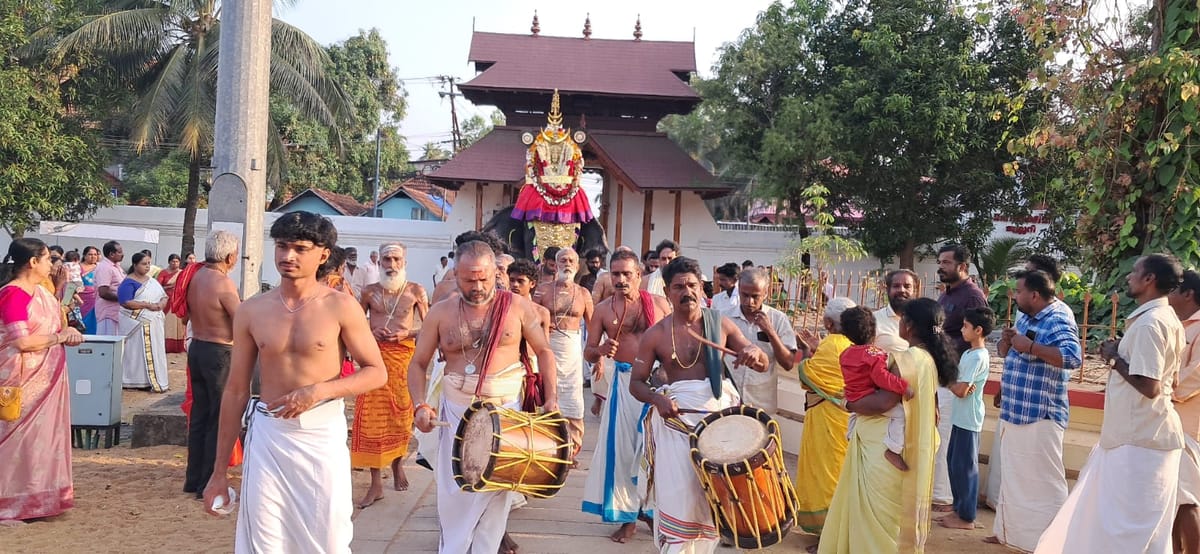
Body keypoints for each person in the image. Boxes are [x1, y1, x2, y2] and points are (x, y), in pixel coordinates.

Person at [203, 211, 388, 553]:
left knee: (329, 540)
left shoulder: (341, 307)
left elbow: (376, 371)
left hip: (321, 435)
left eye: (300, 248)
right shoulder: (252, 310)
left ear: (322, 254)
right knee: (265, 541)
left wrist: (320, 390)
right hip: (269, 435)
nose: (288, 256)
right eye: (282, 246)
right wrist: (218, 472)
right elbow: (235, 389)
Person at [409, 240, 560, 554]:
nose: (477, 286)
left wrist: (551, 400)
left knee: (495, 501)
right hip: (455, 412)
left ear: (496, 273)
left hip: (506, 411)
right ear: (455, 274)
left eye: (484, 279)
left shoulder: (516, 307)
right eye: (469, 279)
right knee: (454, 501)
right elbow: (418, 363)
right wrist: (420, 405)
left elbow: (544, 351)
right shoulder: (441, 312)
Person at [1037, 254, 1188, 553]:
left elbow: (1151, 386)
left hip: (1140, 442)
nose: (1129, 277)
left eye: (1135, 272)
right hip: (1139, 437)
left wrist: (1114, 358)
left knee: (1124, 529)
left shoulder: (1152, 323)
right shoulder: (1160, 318)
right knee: (1130, 526)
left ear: (1150, 280)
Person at [630, 256, 768, 552]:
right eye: (679, 286)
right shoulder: (655, 335)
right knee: (680, 497)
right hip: (675, 425)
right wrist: (658, 398)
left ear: (701, 287)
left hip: (717, 428)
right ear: (667, 292)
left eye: (692, 285)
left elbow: (760, 361)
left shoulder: (720, 324)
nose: (686, 292)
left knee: (712, 501)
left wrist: (754, 353)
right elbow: (637, 383)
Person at [818, 298, 954, 553]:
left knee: (875, 522)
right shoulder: (927, 358)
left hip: (881, 451)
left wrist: (846, 403)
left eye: (902, 319)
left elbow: (882, 402)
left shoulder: (906, 359)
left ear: (909, 326)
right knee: (890, 522)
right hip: (901, 445)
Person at [986, 269, 1082, 551]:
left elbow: (1072, 357)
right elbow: (1011, 353)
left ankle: (1052, 542)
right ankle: (1011, 534)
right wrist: (1007, 343)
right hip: (1016, 409)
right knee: (1014, 479)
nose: (1014, 296)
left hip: (1040, 413)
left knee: (1044, 482)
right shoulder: (1027, 315)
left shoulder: (1058, 317)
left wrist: (1031, 346)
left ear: (1035, 295)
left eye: (1018, 291)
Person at [581, 249, 671, 543]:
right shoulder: (604, 310)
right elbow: (588, 350)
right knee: (622, 452)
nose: (620, 279)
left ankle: (652, 510)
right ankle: (628, 517)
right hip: (623, 384)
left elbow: (676, 343)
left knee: (656, 451)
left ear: (639, 275)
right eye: (615, 274)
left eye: (626, 274)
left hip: (656, 386)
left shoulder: (658, 304)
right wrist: (600, 352)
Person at [0, 238, 84, 522]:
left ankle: (37, 499)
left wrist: (66, 334)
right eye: (48, 258)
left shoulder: (43, 294)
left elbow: (53, 328)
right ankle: (11, 503)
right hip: (20, 379)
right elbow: (21, 341)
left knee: (41, 440)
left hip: (47, 378)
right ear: (33, 262)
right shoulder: (14, 294)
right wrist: (59, 337)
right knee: (17, 440)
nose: (52, 264)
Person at [352, 242, 428, 509]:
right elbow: (355, 323)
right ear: (379, 262)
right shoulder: (369, 291)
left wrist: (406, 334)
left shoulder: (416, 290)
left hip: (403, 360)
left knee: (400, 415)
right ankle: (375, 483)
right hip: (374, 359)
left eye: (396, 259)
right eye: (387, 259)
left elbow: (429, 328)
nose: (391, 265)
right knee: (371, 419)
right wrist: (369, 333)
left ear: (404, 261)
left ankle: (397, 466)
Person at [182, 230, 241, 499]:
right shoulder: (222, 283)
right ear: (231, 257)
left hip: (198, 346)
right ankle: (208, 481)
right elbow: (240, 319)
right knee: (217, 417)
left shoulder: (196, 277)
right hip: (219, 351)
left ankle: (194, 479)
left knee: (200, 416)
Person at [793, 297, 856, 536]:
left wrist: (806, 353)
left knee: (826, 474)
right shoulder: (853, 343)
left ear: (829, 323)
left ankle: (829, 534)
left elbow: (806, 376)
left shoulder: (832, 345)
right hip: (846, 418)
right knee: (841, 471)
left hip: (826, 420)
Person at [934, 244, 987, 513]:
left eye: (946, 262)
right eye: (940, 261)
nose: (941, 266)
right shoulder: (947, 295)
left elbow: (978, 334)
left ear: (962, 267)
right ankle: (940, 495)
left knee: (947, 440)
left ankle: (946, 499)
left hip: (957, 378)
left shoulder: (972, 297)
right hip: (941, 373)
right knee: (938, 437)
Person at [533, 247, 594, 462]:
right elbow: (532, 320)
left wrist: (599, 359)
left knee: (573, 399)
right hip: (547, 347)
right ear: (555, 264)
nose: (567, 264)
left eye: (571, 260)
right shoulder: (543, 290)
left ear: (577, 266)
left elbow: (594, 327)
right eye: (562, 260)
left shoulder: (584, 294)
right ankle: (545, 448)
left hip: (572, 350)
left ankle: (570, 451)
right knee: (546, 394)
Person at [938, 307, 994, 530]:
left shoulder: (977, 356)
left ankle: (967, 515)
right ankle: (959, 509)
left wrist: (949, 383)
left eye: (966, 326)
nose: (962, 330)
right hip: (960, 417)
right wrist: (956, 384)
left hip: (968, 419)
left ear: (978, 330)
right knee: (955, 464)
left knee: (965, 467)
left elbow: (961, 389)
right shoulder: (970, 354)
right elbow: (960, 386)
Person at [840, 306, 914, 471]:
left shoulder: (845, 354)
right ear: (874, 332)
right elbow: (881, 378)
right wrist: (903, 387)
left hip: (852, 397)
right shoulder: (874, 355)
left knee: (854, 414)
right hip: (869, 397)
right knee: (900, 414)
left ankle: (851, 435)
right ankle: (893, 449)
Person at [721, 268, 796, 414]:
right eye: (745, 295)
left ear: (766, 294)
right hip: (728, 401)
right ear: (739, 290)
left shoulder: (778, 319)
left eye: (755, 296)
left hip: (762, 404)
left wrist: (770, 332)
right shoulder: (724, 318)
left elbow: (788, 364)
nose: (749, 302)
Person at [118, 252, 169, 392]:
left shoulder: (151, 281)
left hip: (154, 323)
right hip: (137, 325)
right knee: (136, 353)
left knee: (155, 350)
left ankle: (152, 379)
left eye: (148, 264)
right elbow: (125, 302)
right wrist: (147, 305)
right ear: (135, 265)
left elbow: (163, 295)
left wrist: (160, 305)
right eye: (144, 264)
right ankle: (134, 381)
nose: (147, 267)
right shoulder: (128, 282)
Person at [874, 269, 916, 354]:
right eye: (896, 286)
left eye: (907, 286)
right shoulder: (873, 320)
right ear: (888, 290)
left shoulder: (923, 320)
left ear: (914, 290)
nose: (902, 290)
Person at [94, 240, 125, 335]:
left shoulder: (117, 267)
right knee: (107, 345)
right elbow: (103, 292)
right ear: (111, 254)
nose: (123, 254)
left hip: (116, 312)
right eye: (119, 252)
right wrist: (124, 299)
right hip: (108, 313)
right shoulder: (105, 268)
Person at [157, 254, 187, 353]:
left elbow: (185, 286)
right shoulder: (163, 273)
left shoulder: (182, 273)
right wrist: (169, 287)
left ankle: (178, 346)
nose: (175, 263)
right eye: (173, 261)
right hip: (166, 301)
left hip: (178, 301)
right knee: (167, 324)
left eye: (177, 261)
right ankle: (167, 346)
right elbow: (157, 287)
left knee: (178, 324)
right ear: (169, 262)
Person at [78, 246, 100, 334]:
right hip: (83, 299)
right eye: (90, 254)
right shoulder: (78, 267)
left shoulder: (99, 267)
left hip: (96, 298)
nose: (93, 256)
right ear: (84, 255)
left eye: (95, 254)